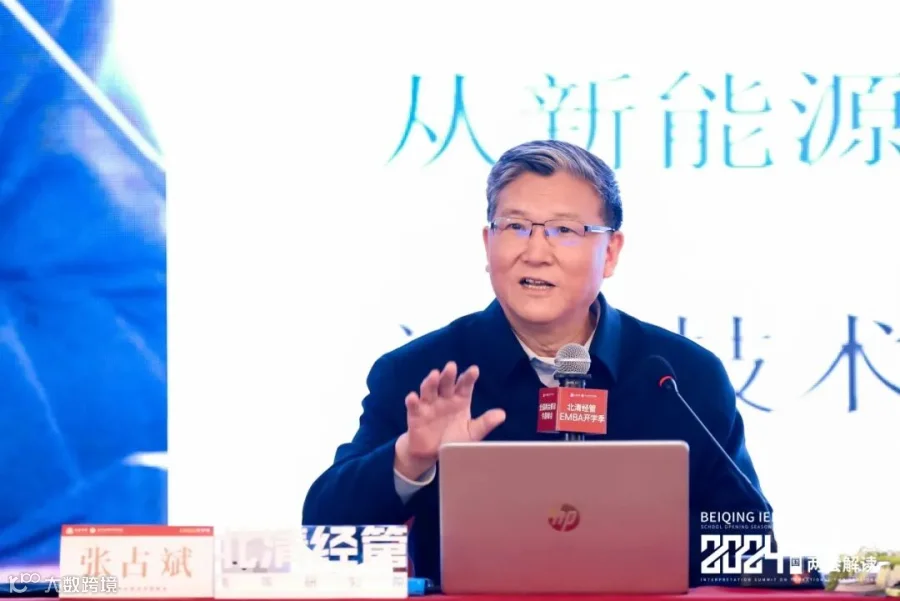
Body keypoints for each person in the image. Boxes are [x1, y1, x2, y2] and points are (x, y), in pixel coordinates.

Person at [302, 139, 772, 586]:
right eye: (516, 227)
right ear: (488, 243)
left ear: (610, 252)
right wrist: (412, 458)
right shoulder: (423, 375)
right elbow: (324, 532)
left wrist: (645, 550)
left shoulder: (681, 377)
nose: (535, 253)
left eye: (564, 231)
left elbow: (749, 545)